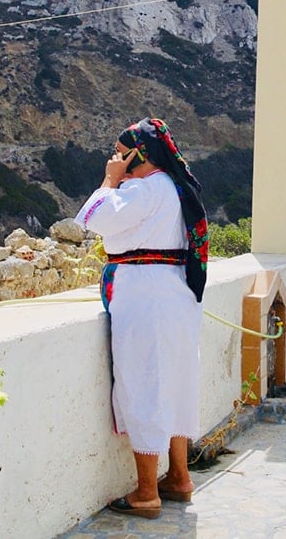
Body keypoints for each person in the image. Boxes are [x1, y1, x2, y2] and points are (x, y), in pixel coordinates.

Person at [75, 117, 208, 520]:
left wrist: (109, 180)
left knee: (144, 381)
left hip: (145, 294)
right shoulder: (176, 188)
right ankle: (179, 478)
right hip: (176, 294)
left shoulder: (143, 189)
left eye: (121, 151)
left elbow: (94, 219)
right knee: (176, 380)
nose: (116, 157)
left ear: (140, 154)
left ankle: (147, 492)